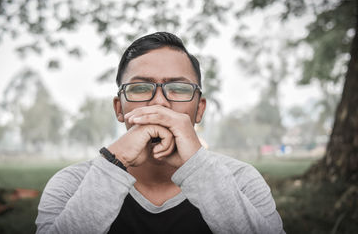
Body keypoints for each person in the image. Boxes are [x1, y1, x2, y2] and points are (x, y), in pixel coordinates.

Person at [36, 32, 285, 234]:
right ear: (119, 108)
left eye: (178, 88)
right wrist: (113, 162)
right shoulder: (71, 184)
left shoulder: (242, 180)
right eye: (140, 88)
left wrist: (198, 167)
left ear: (199, 110)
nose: (159, 103)